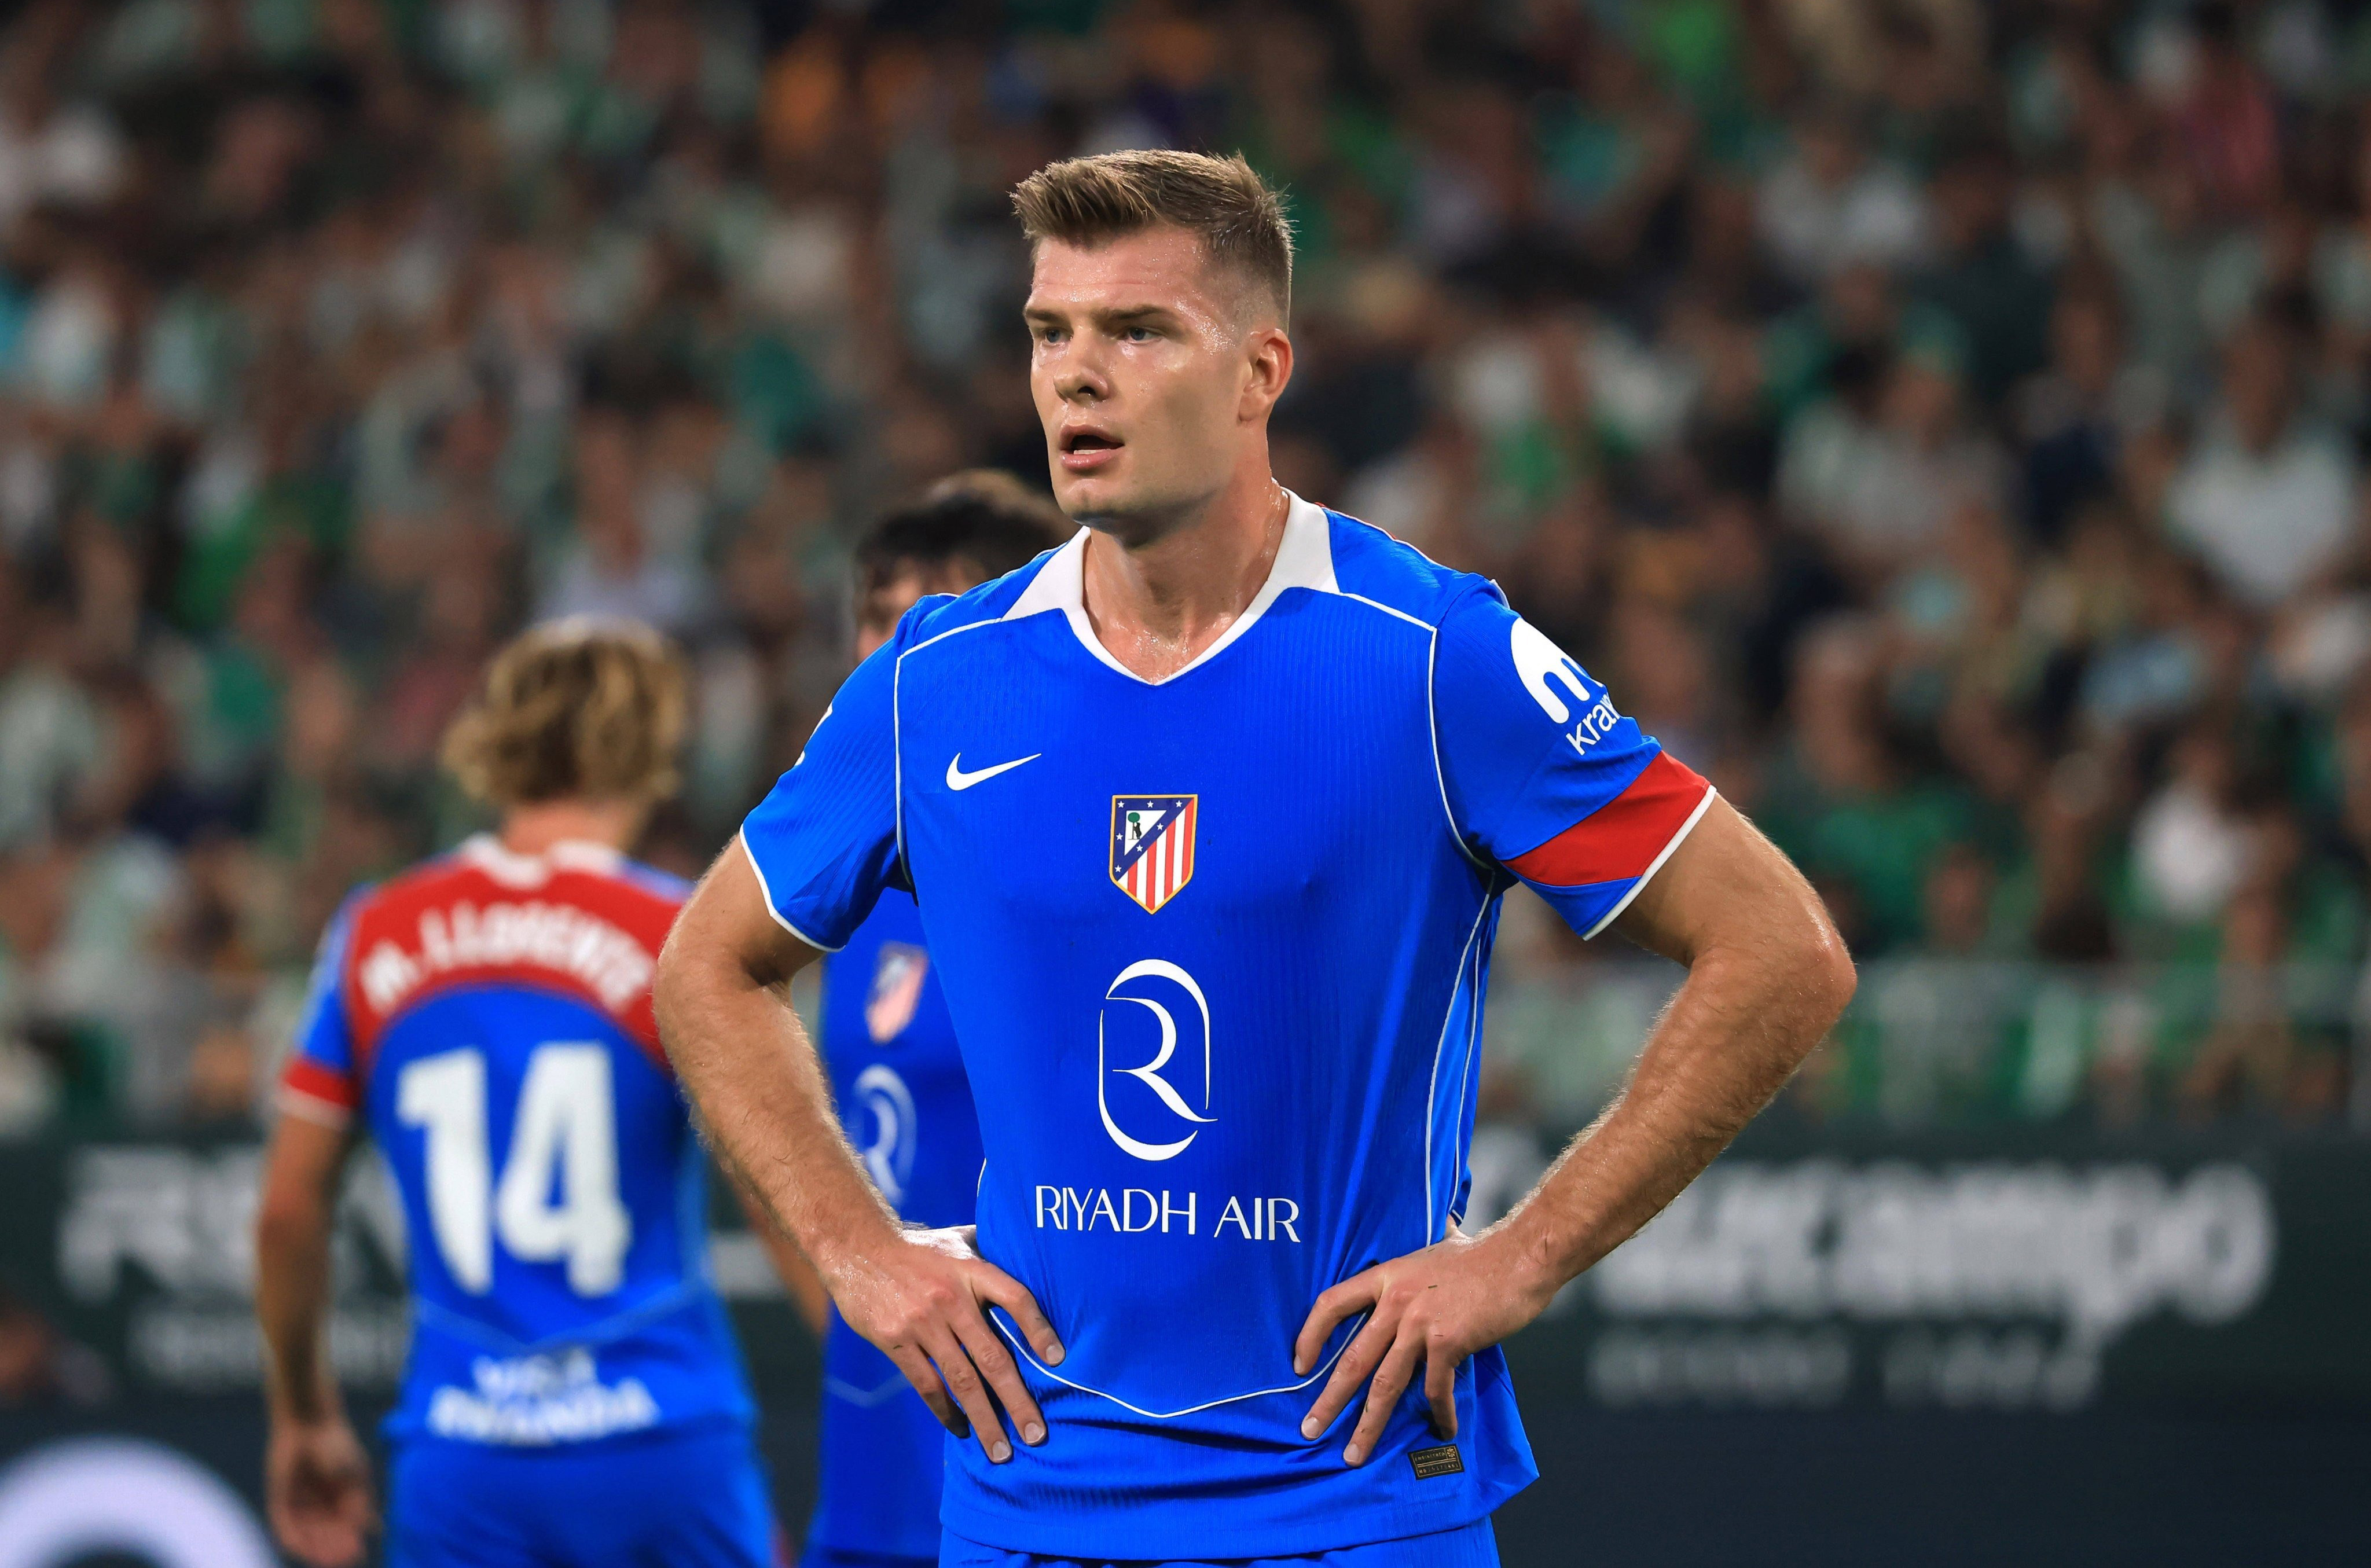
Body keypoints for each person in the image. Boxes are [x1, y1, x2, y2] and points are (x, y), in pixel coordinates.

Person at [655, 150, 1856, 1566]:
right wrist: (859, 1253)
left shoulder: (1431, 659)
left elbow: (1780, 950)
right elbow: (705, 965)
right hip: (1033, 1499)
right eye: (1049, 332)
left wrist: (1519, 1258)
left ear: (1259, 372)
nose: (1074, 374)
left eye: (1137, 330)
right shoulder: (936, 680)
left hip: (1353, 1500)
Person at [255, 619, 801, 1568]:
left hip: (464, 1456)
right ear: (649, 746)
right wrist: (886, 1391)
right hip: (661, 1443)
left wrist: (304, 1415)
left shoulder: (374, 934)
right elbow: (782, 1196)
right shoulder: (679, 934)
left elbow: (287, 1213)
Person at [797, 472, 1071, 1568]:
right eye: (875, 617)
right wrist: (850, 1277)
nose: (889, 653)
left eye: (925, 618)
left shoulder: (1071, 867)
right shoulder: (846, 885)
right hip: (868, 1473)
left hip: (1032, 1464)